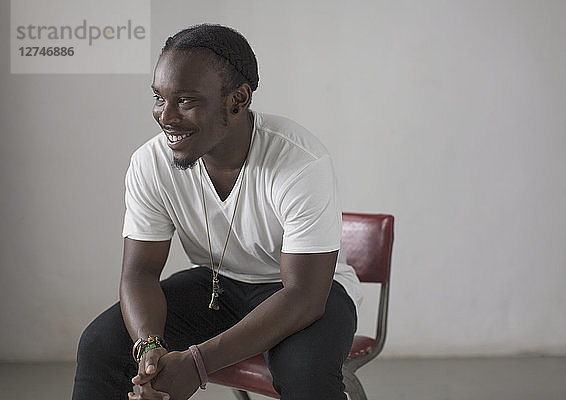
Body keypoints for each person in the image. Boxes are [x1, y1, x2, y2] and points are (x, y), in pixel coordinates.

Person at [72, 24, 361, 400]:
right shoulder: (150, 163)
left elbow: (304, 294)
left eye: (186, 100)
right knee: (100, 345)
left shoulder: (299, 162)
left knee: (303, 372)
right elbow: (139, 273)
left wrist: (197, 363)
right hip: (217, 285)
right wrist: (149, 349)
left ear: (237, 100)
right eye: (159, 98)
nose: (166, 116)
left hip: (306, 290)